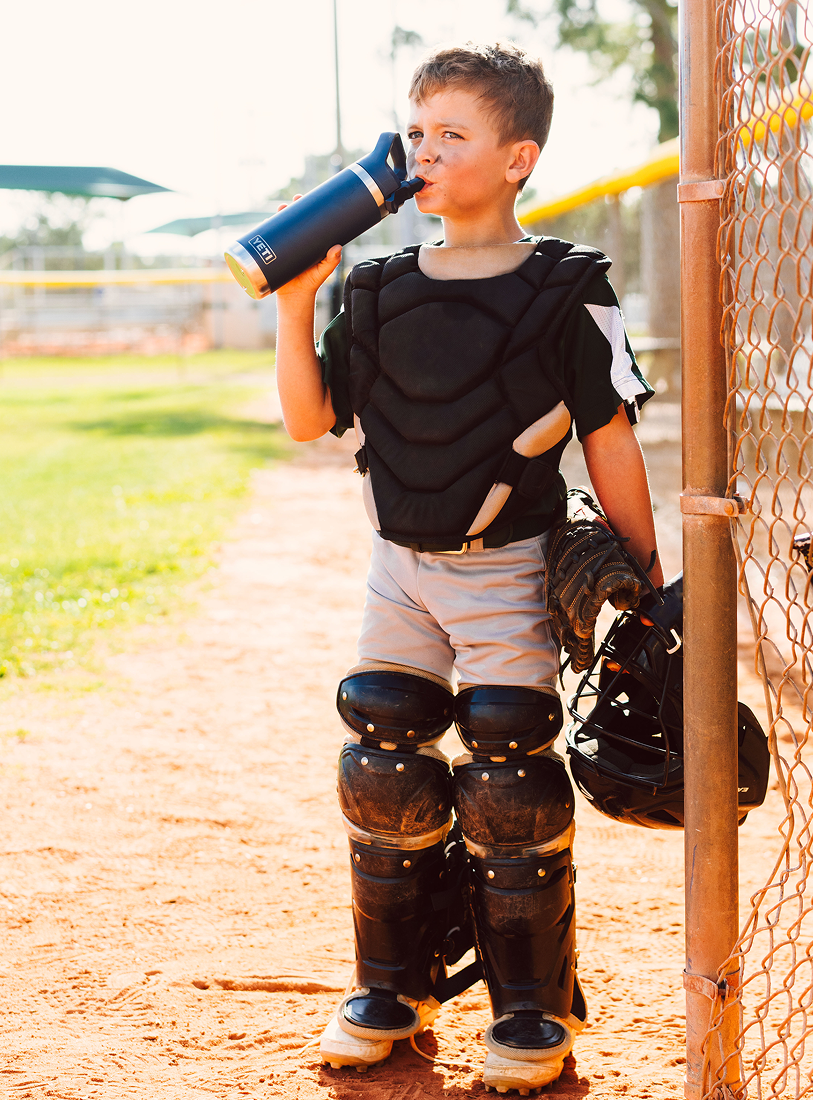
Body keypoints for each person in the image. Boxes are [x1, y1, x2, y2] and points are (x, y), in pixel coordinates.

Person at [274, 41, 665, 1095]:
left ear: (517, 158)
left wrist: (646, 587)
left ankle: (531, 1006)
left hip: (508, 570)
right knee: (381, 754)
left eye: (453, 134)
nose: (425, 153)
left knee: (507, 773)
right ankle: (391, 987)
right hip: (398, 566)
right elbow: (309, 419)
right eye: (416, 133)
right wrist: (296, 306)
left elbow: (609, 439)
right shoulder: (378, 286)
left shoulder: (568, 286)